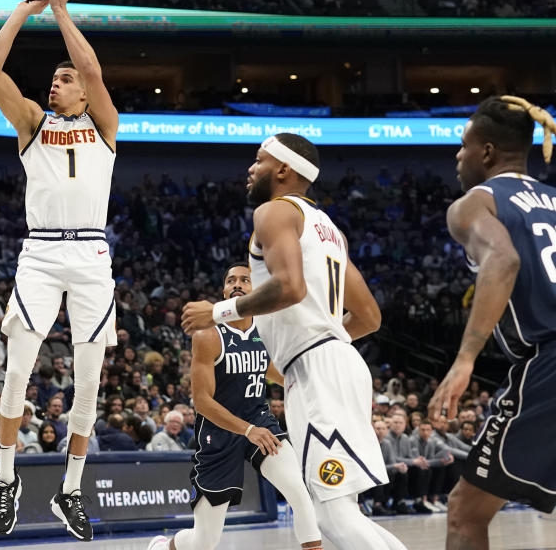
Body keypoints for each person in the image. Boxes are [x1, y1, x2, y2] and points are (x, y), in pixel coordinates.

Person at [182, 134, 405, 550]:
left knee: (332, 517)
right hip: (340, 361)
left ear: (283, 169)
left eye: (258, 159)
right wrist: (318, 341)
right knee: (341, 510)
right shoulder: (328, 229)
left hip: (318, 370)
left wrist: (216, 312)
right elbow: (370, 317)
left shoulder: (274, 212)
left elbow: (290, 287)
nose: (251, 168)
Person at [0, 0, 119, 541]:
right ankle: (7, 479)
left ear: (84, 91)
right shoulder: (33, 122)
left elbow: (90, 66)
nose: (57, 82)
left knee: (89, 383)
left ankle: (69, 491)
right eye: (55, 78)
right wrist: (25, 7)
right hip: (38, 253)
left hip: (90, 255)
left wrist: (61, 10)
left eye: (65, 78)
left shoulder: (105, 123)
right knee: (18, 372)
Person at [428, 96, 556, 549]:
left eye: (463, 146)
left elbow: (503, 259)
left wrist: (465, 360)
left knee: (465, 512)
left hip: (548, 361)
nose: (457, 156)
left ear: (486, 152)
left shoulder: (474, 204)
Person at [150, 263, 321, 550]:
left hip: (260, 421)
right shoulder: (208, 334)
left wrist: (304, 379)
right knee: (204, 541)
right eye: (231, 280)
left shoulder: (266, 328)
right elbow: (202, 402)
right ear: (225, 290)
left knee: (299, 492)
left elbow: (268, 369)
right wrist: (247, 430)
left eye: (245, 279)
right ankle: (162, 547)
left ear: (257, 290)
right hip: (218, 433)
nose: (237, 284)